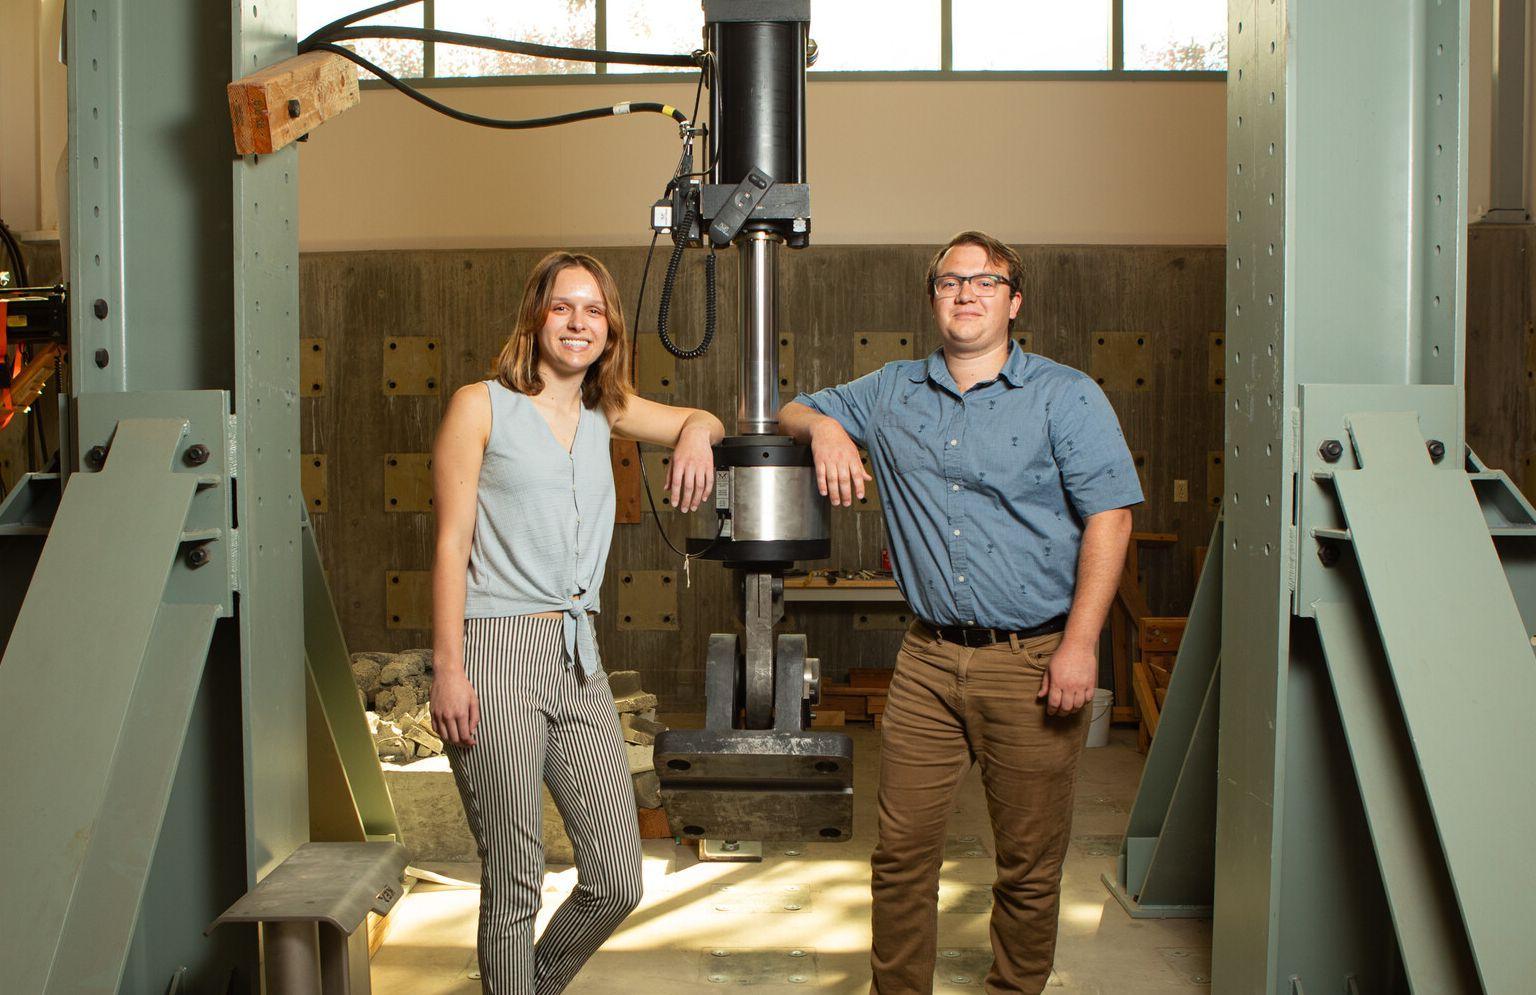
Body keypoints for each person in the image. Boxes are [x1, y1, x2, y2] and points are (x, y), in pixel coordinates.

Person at [780, 230, 1141, 994]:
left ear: (1015, 301)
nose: (966, 292)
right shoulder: (889, 390)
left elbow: (1111, 517)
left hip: (1034, 658)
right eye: (950, 280)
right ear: (933, 296)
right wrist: (829, 431)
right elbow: (793, 407)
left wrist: (1082, 646)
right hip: (926, 661)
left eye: (985, 280)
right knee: (902, 852)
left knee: (1028, 862)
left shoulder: (1066, 395)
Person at [430, 251, 724, 994]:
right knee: (515, 878)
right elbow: (449, 542)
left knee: (618, 877)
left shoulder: (607, 409)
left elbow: (701, 416)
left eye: (594, 311)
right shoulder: (480, 404)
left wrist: (694, 434)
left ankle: (525, 985)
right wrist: (449, 669)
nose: (578, 322)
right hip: (494, 652)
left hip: (578, 655)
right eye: (564, 306)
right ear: (536, 313)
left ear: (610, 328)